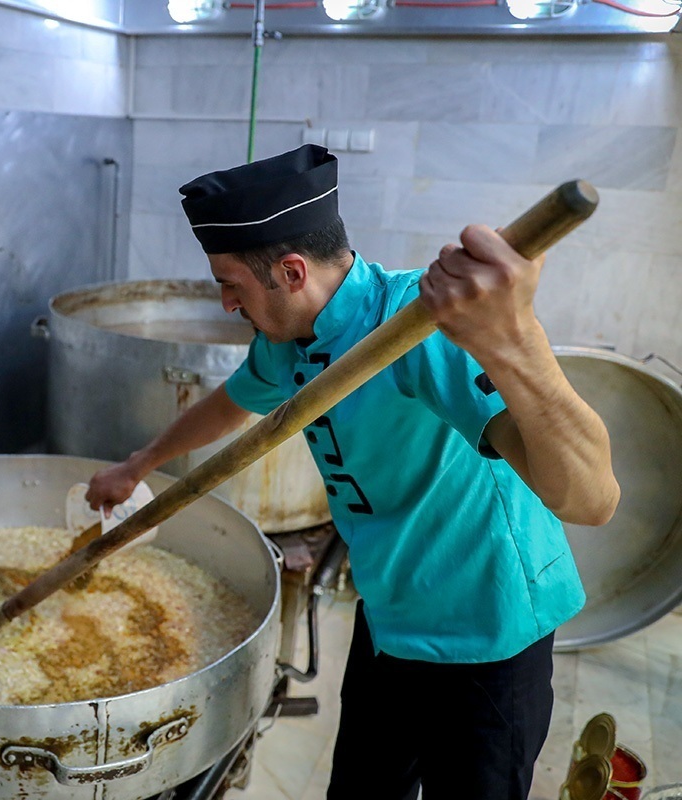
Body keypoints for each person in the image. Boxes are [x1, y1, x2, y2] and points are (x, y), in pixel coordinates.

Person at [85, 144, 619, 800]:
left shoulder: (418, 326)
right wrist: (139, 464)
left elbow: (592, 500)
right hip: (390, 614)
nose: (225, 302)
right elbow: (232, 403)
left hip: (486, 629)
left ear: (291, 272)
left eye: (232, 284)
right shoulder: (286, 338)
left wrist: (514, 339)